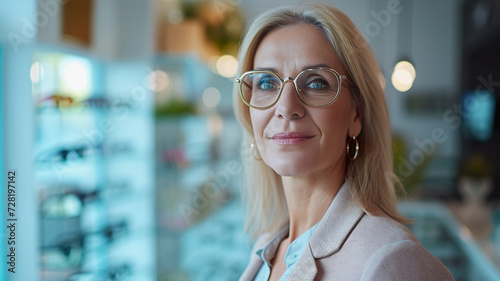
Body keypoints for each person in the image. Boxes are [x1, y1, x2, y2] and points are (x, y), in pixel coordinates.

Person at [232, 2, 454, 281]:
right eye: (267, 83)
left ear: (356, 115)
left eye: (315, 83)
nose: (286, 107)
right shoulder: (266, 248)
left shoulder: (392, 259)